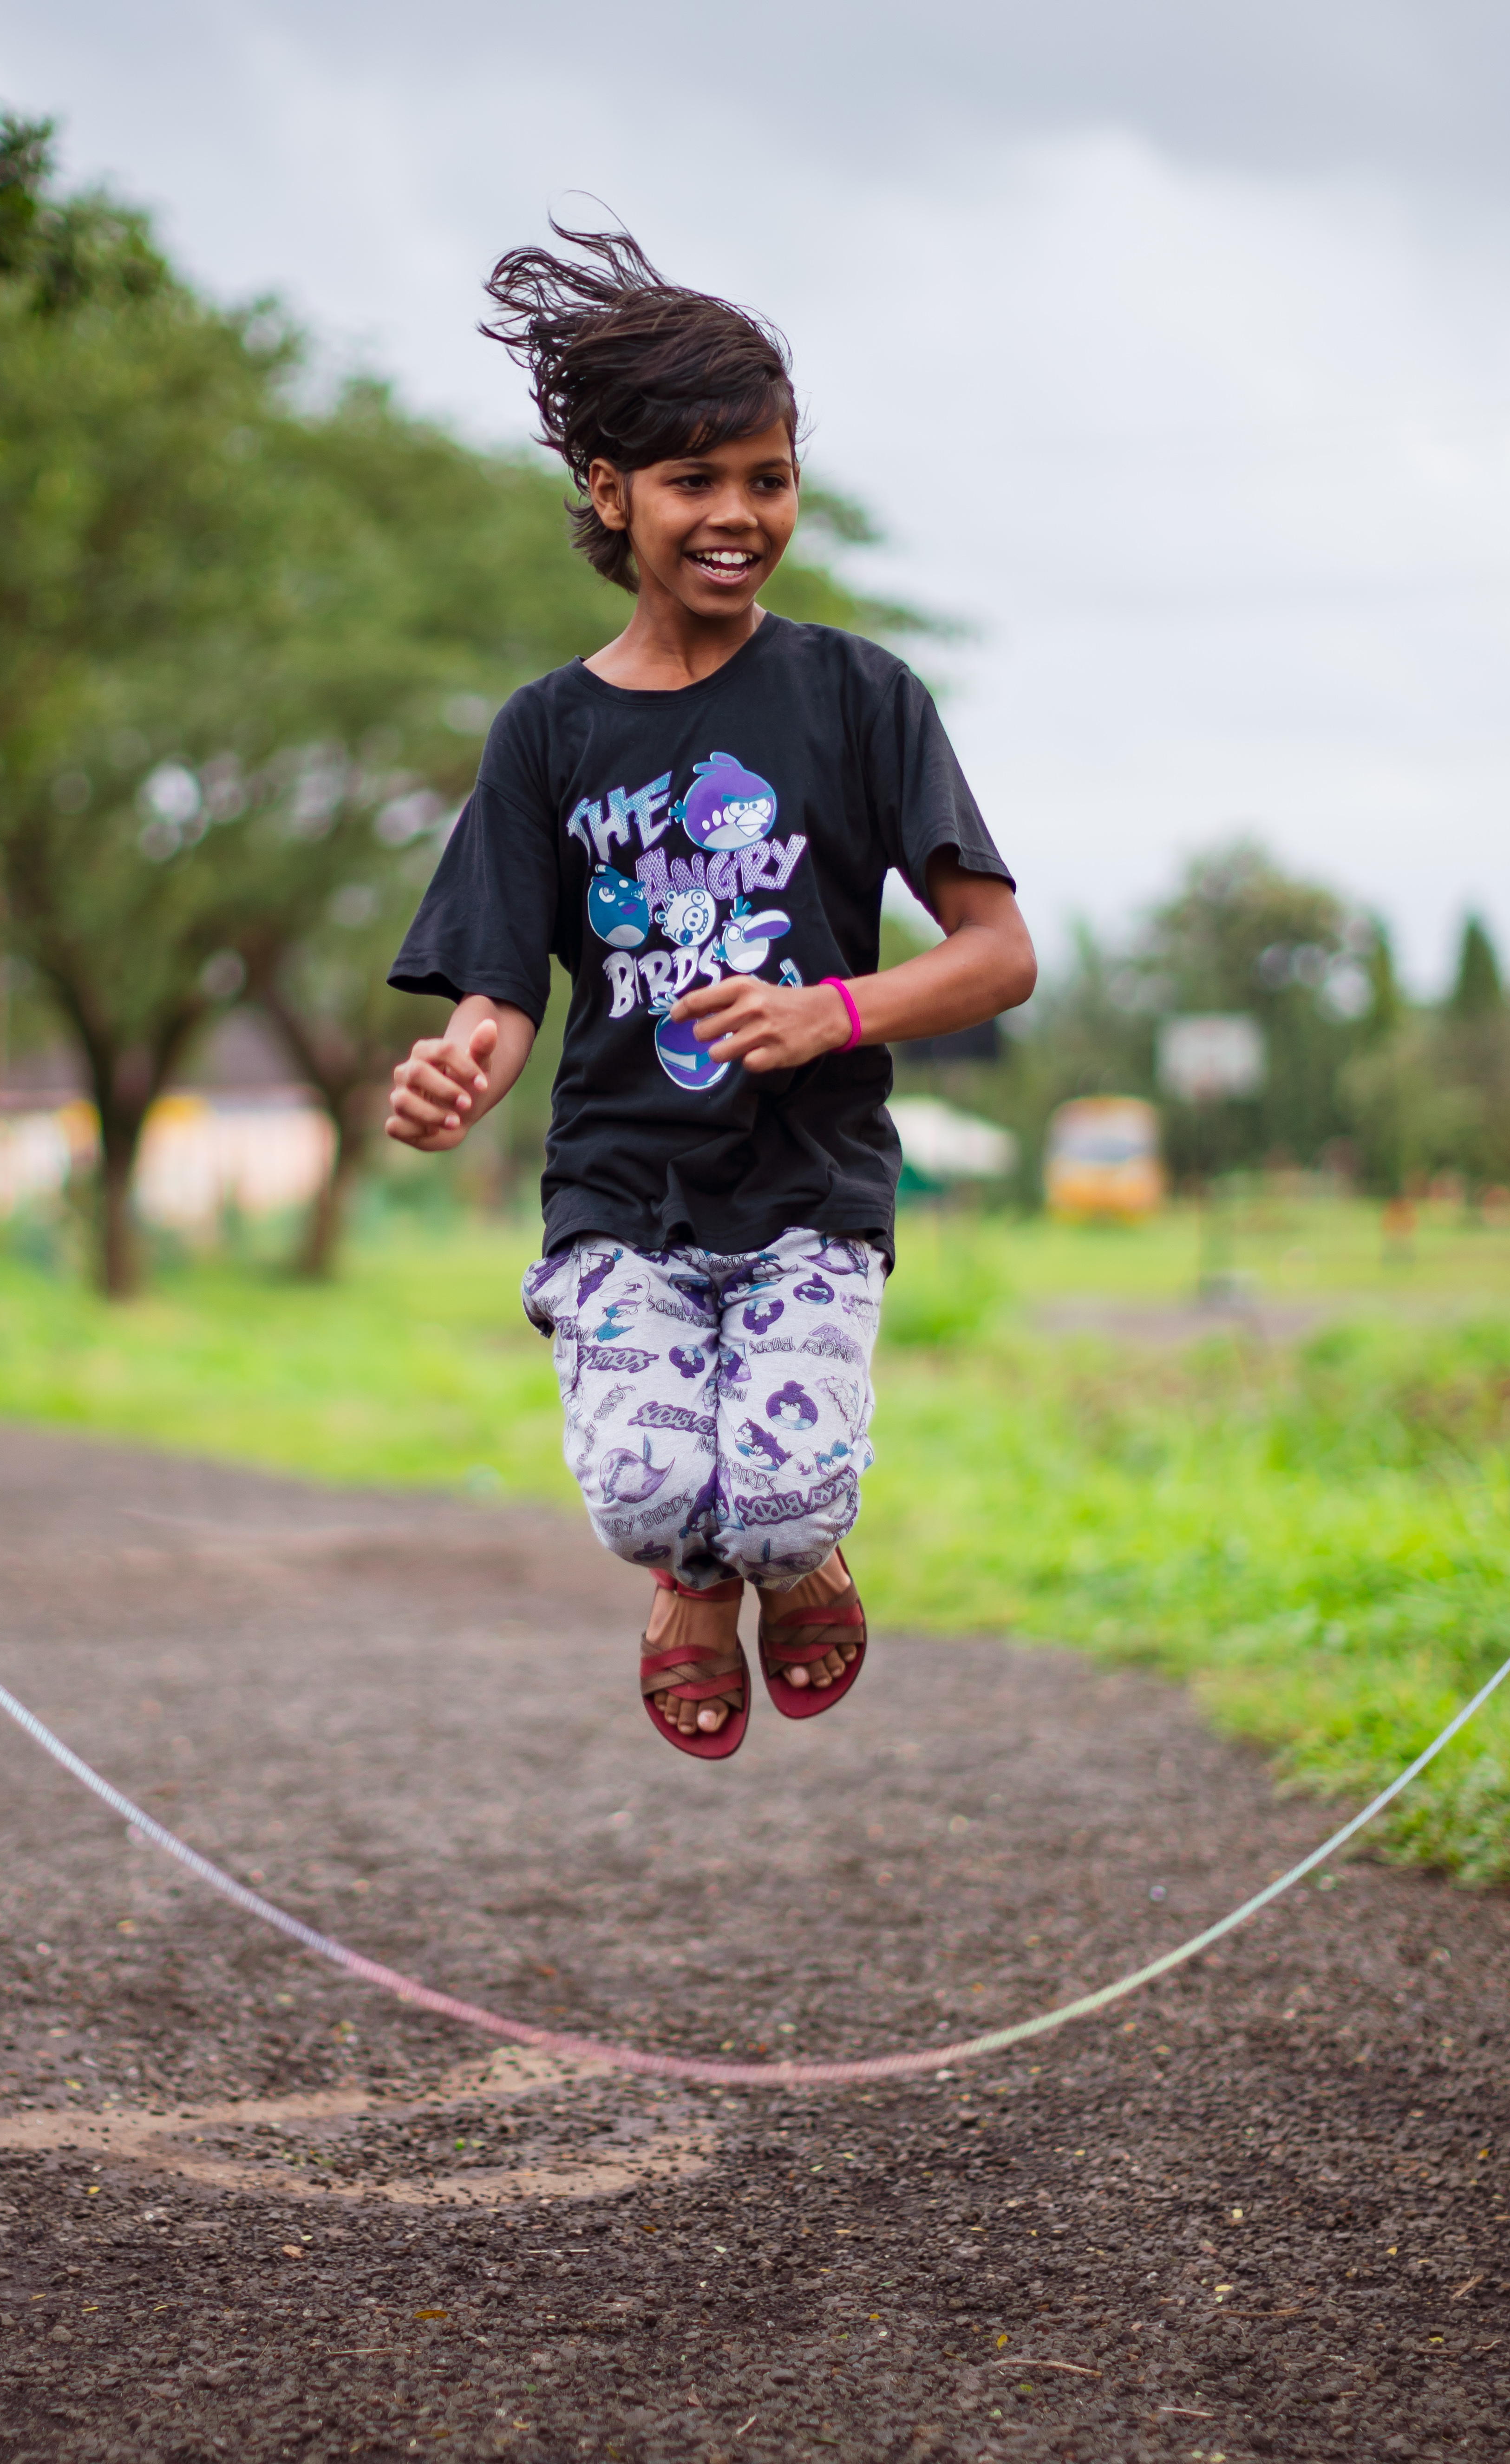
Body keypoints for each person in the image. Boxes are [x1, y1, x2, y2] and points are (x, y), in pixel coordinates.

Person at [385, 225, 1036, 1758]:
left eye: (769, 475)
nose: (740, 515)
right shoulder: (545, 732)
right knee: (644, 1496)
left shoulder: (859, 697)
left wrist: (834, 1011)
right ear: (611, 495)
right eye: (696, 482)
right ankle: (693, 1575)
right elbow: (497, 991)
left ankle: (794, 1553)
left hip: (809, 1187)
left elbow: (996, 952)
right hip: (617, 1191)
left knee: (781, 1496)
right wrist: (458, 1063)